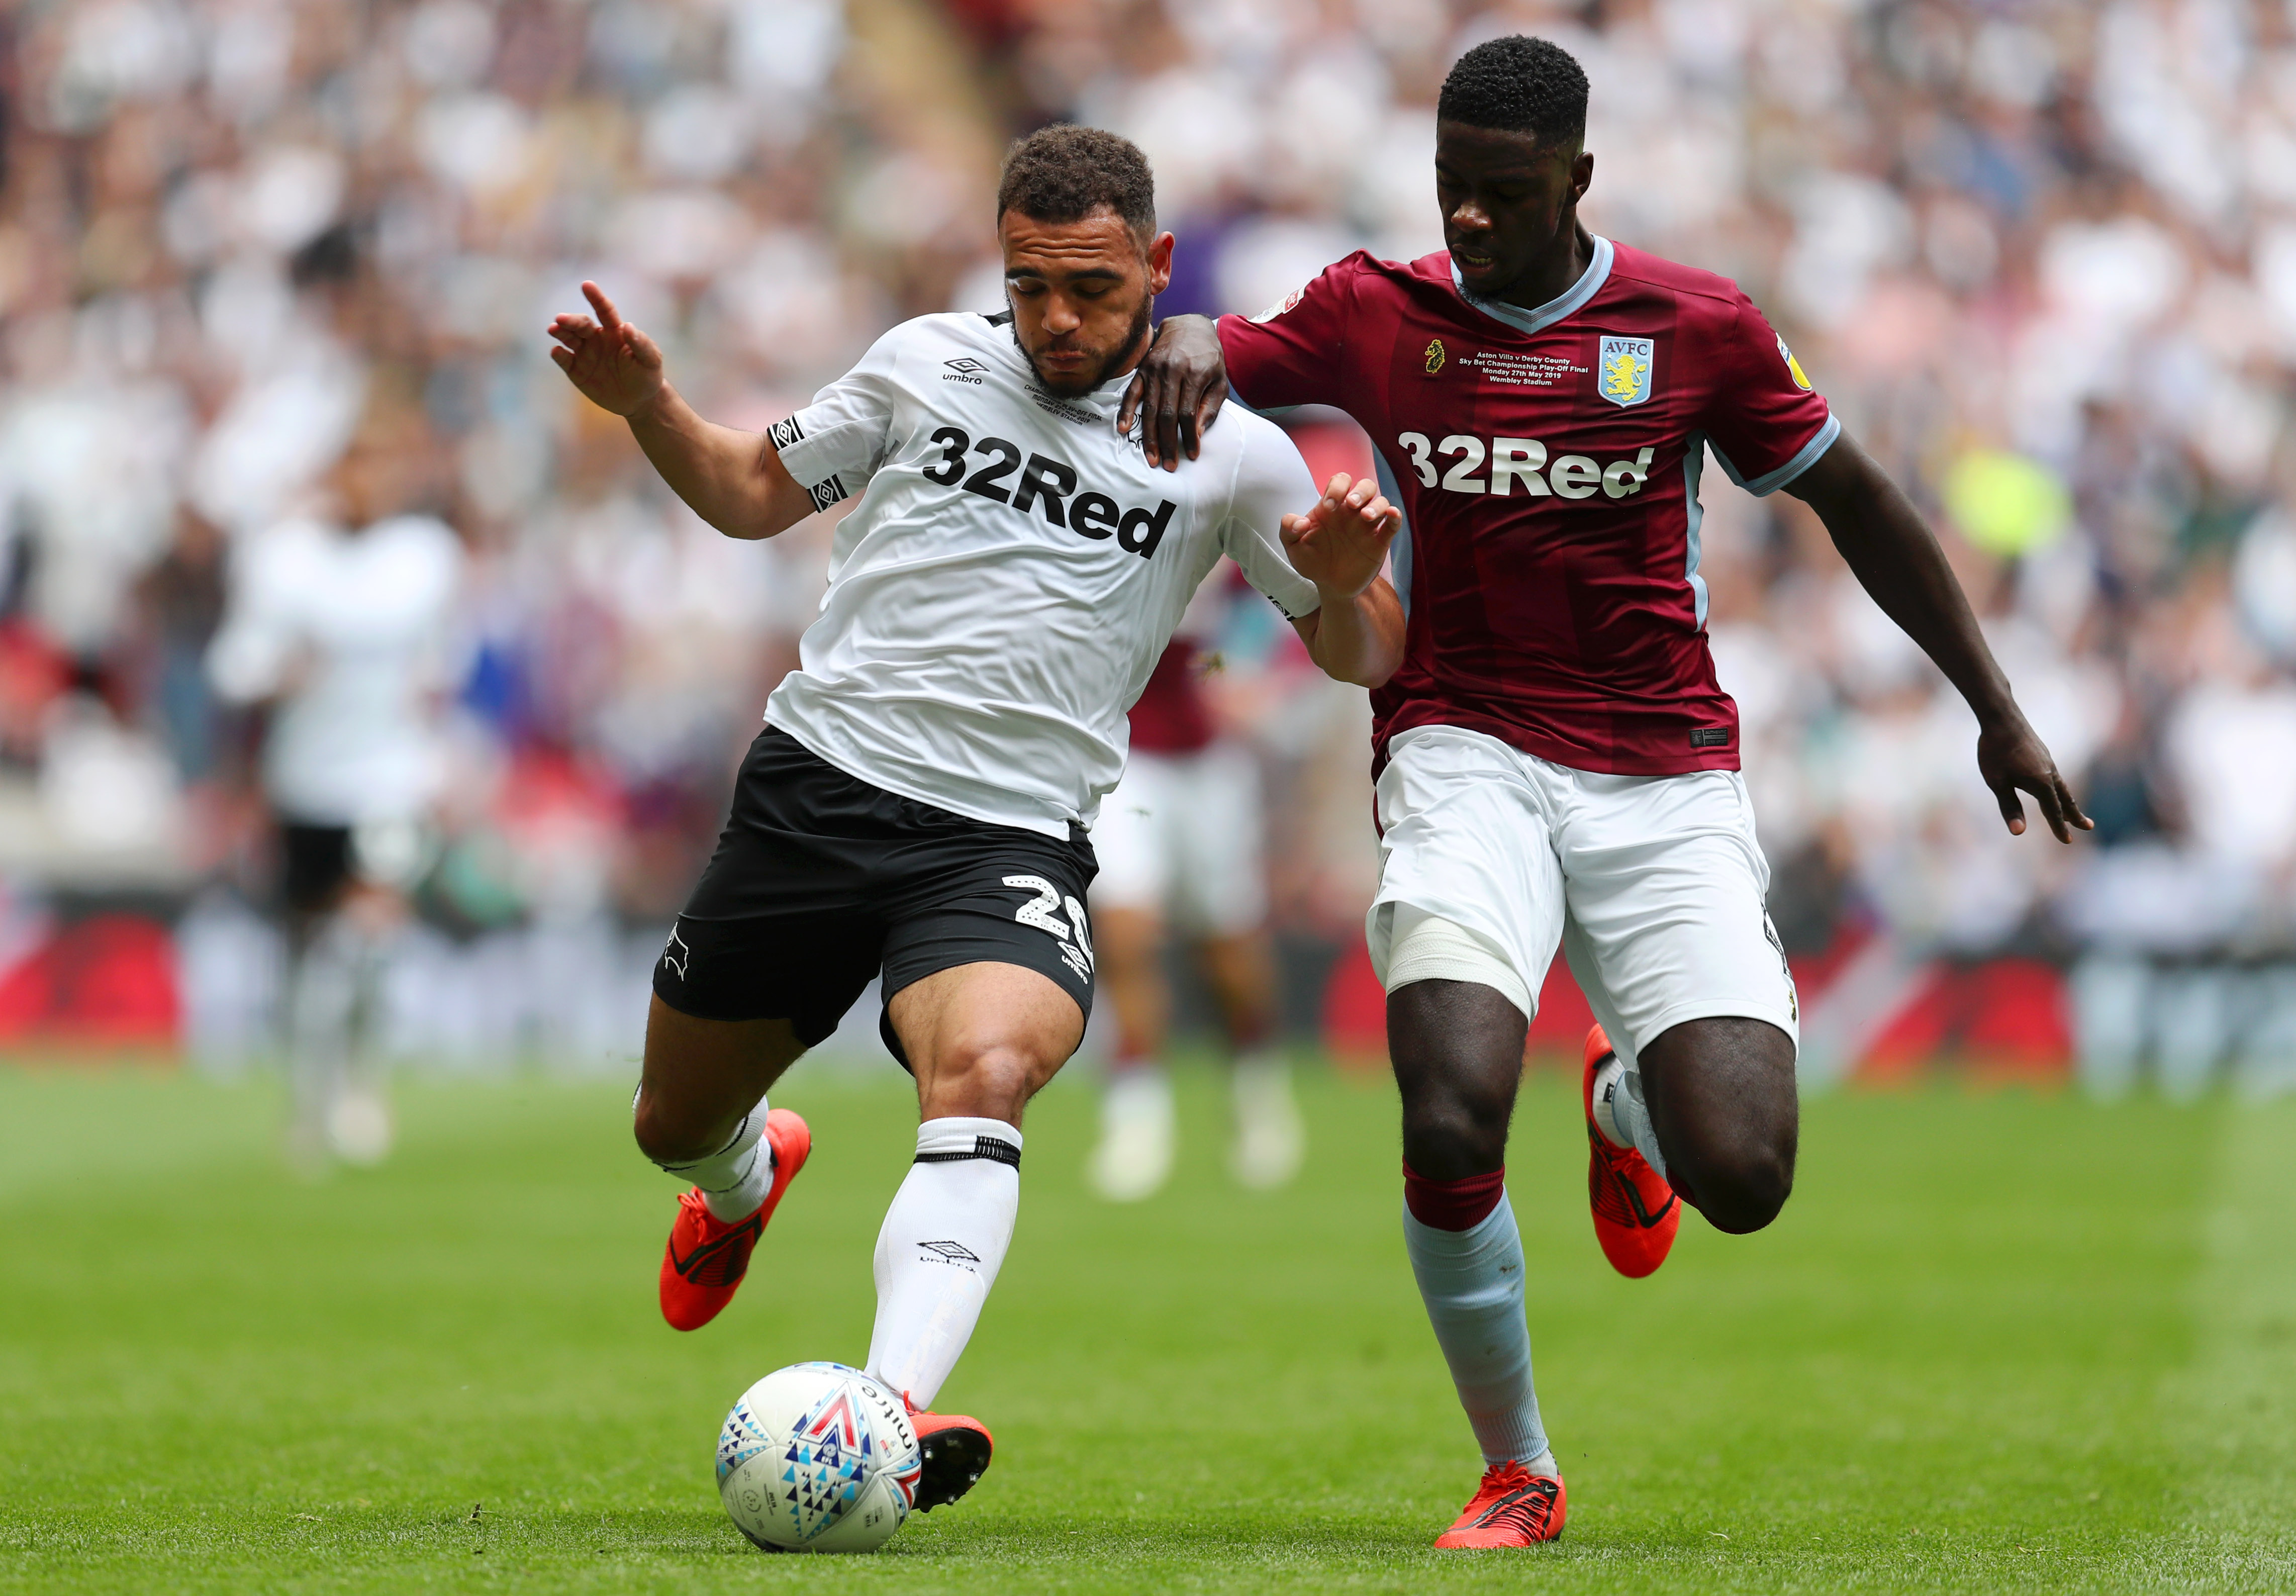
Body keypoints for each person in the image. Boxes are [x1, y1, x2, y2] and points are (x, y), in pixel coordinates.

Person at [1120, 36, 2093, 1549]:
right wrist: (1182, 334)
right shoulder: (1379, 313)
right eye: (1452, 189)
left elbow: (1859, 503)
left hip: (1662, 774)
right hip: (1461, 749)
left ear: (1579, 177)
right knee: (1447, 1113)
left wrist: (1997, 710)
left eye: (1504, 194)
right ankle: (1518, 1466)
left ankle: (1627, 1100)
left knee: (1746, 1172)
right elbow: (1209, 344)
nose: (1470, 223)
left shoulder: (1694, 325)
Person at [545, 126, 1404, 1515]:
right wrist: (652, 404)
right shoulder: (923, 362)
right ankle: (749, 1175)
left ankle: (882, 1409)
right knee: (671, 1120)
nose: (1056, 318)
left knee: (989, 1067)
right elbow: (751, 495)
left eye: (1093, 289)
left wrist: (1355, 582)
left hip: (1004, 834)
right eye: (1029, 284)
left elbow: (1368, 654)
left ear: (1159, 269)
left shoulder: (1234, 455)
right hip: (817, 788)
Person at [207, 396, 463, 1170]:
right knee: (308, 958)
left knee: (365, 943)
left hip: (390, 779)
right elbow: (234, 664)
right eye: (361, 459)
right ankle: (311, 1105)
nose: (373, 478)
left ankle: (361, 1089)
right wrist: (276, 677)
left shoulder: (426, 556)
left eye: (389, 462)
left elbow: (441, 665)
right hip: (304, 782)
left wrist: (445, 757)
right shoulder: (285, 556)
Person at [1087, 603, 1301, 1203]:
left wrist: (1236, 677)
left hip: (1210, 767)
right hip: (1124, 761)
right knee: (1125, 937)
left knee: (1227, 952)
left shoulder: (1231, 525)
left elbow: (1267, 624)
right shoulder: (1107, 515)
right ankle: (1136, 1119)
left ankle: (1256, 1091)